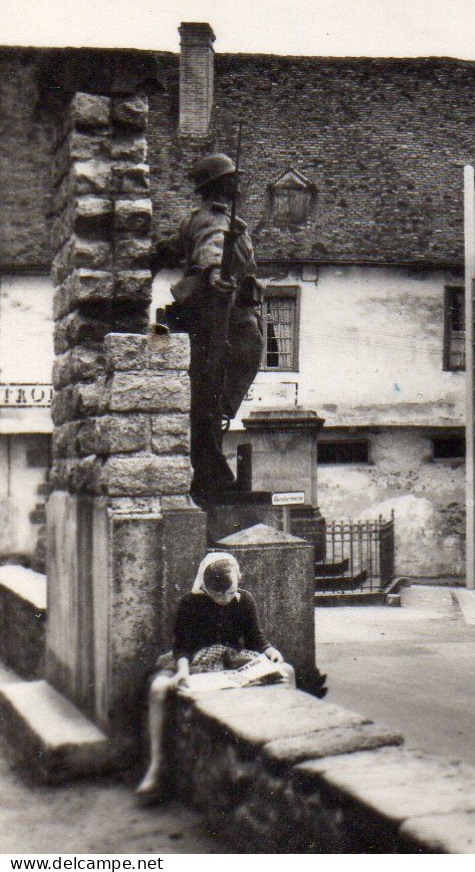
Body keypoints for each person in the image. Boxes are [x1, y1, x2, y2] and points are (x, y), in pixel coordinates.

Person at [135, 552, 294, 801]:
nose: (223, 598)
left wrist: (270, 651)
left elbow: (254, 637)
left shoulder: (245, 600)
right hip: (193, 660)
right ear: (205, 587)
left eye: (229, 592)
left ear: (237, 582)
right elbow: (182, 646)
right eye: (216, 593)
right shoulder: (190, 603)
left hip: (230, 658)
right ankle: (156, 765)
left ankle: (287, 749)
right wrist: (184, 672)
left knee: (287, 672)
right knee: (158, 688)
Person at [159, 153, 264, 504]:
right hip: (219, 313)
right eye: (232, 178)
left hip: (207, 312)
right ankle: (213, 462)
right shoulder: (216, 219)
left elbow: (180, 248)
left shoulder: (200, 218)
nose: (238, 184)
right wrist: (216, 274)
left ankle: (212, 456)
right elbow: (212, 249)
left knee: (205, 394)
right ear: (218, 185)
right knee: (248, 345)